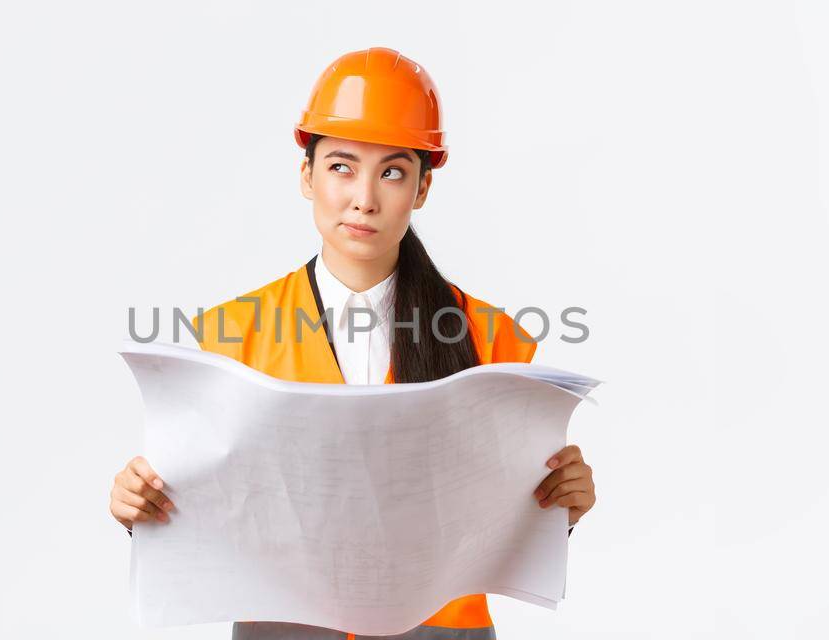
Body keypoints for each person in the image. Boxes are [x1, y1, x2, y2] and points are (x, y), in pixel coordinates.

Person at [108, 47, 597, 640]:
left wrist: (561, 506)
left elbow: (506, 524)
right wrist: (141, 508)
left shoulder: (493, 339)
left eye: (392, 171)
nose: (364, 197)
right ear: (306, 173)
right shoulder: (228, 335)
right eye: (342, 166)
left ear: (421, 188)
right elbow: (208, 512)